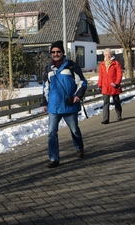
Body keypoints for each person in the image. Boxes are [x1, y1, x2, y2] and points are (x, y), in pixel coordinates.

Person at [41, 40, 87, 168]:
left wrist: (78, 95)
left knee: (75, 130)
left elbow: (82, 83)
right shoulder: (48, 69)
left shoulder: (71, 66)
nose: (56, 54)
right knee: (51, 133)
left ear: (62, 52)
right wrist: (44, 102)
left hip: (69, 106)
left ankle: (79, 147)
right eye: (53, 52)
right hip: (53, 107)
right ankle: (54, 159)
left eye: (58, 51)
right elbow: (45, 87)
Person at [98, 48, 123, 124]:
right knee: (106, 102)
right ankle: (106, 119)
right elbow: (101, 75)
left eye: (109, 54)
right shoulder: (102, 64)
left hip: (114, 85)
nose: (107, 56)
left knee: (116, 101)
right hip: (105, 86)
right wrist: (99, 85)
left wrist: (117, 83)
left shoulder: (116, 63)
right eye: (106, 55)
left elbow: (119, 74)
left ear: (111, 55)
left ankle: (119, 115)